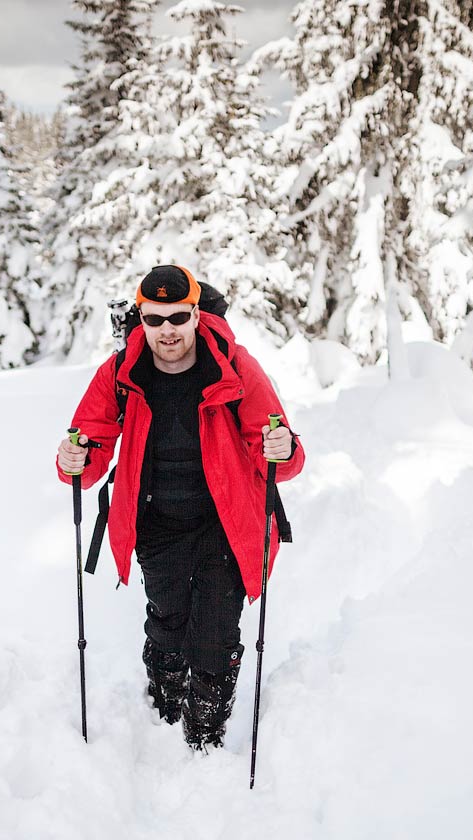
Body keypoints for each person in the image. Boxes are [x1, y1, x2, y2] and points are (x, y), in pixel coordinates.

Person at [56, 264, 305, 750]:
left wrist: (283, 448)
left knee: (214, 630)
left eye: (177, 318)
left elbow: (280, 455)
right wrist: (73, 459)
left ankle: (205, 729)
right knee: (168, 621)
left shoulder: (235, 365)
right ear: (140, 319)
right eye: (154, 320)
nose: (166, 331)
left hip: (225, 521)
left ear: (195, 315)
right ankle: (166, 700)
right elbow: (86, 449)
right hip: (156, 519)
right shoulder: (122, 372)